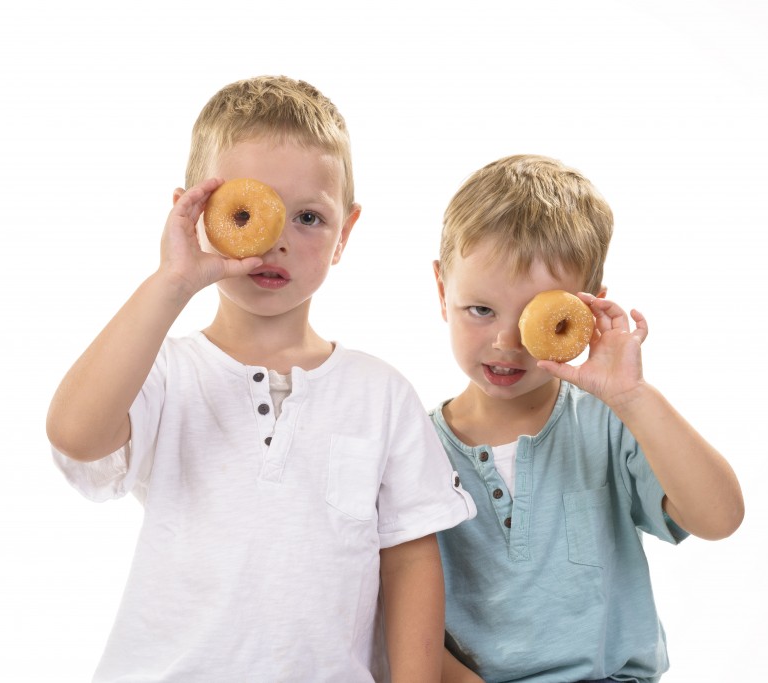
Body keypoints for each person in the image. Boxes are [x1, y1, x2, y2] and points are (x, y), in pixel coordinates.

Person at [46, 76, 475, 682]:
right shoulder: (164, 372)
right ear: (191, 214)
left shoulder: (380, 395)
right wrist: (172, 280)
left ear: (345, 234)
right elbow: (75, 433)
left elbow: (408, 563)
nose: (275, 240)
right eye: (246, 211)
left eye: (309, 218)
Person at [430, 155, 744, 683]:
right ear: (443, 291)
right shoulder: (411, 447)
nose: (506, 342)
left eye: (537, 316)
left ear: (587, 308)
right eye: (480, 310)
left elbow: (720, 518)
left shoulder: (608, 424)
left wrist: (634, 398)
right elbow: (392, 610)